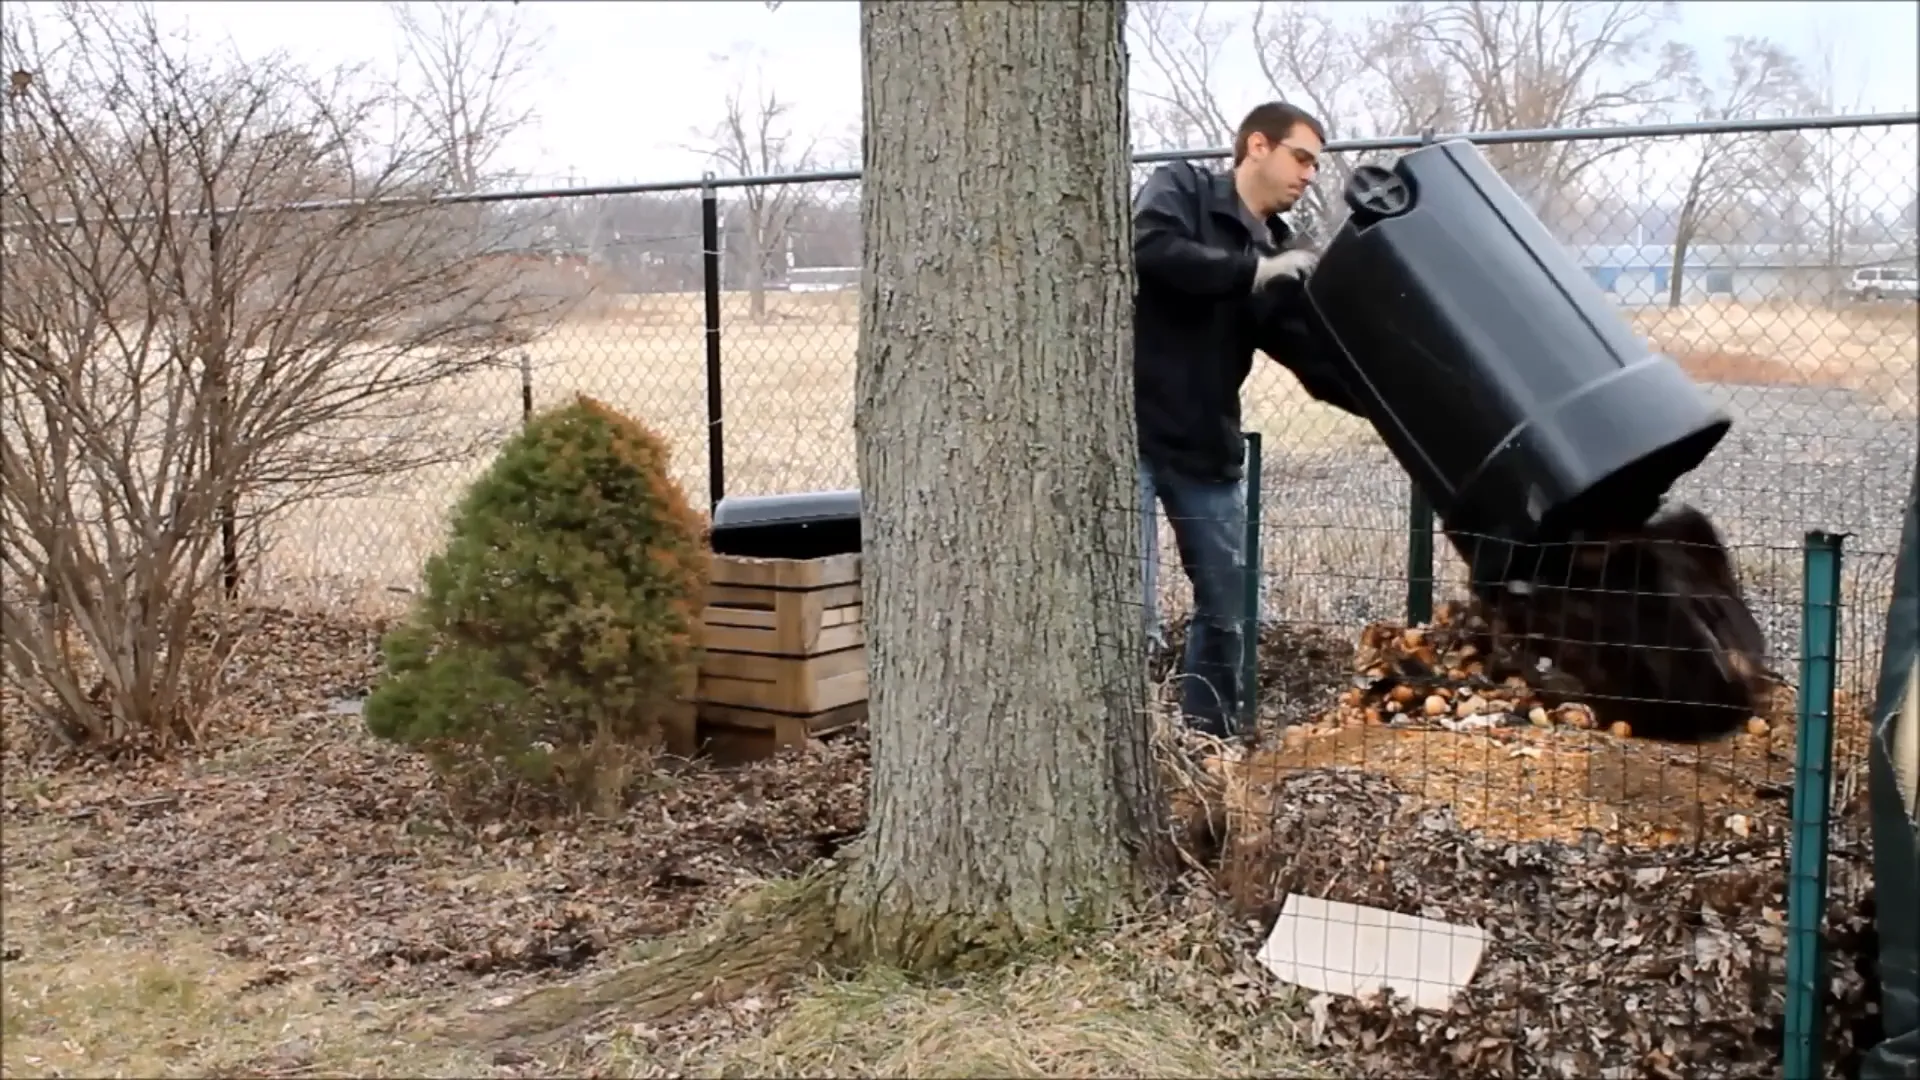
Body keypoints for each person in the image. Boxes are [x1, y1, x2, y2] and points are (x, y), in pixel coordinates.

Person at [1133, 100, 1362, 740]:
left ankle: (1211, 744)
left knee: (1228, 611)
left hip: (1205, 444)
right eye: (1302, 157)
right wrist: (1250, 271)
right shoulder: (1180, 188)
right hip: (1127, 438)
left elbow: (1312, 361)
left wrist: (1388, 400)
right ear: (1257, 146)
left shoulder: (1281, 251)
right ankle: (1128, 745)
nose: (1310, 175)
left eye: (1316, 164)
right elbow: (1152, 252)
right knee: (1130, 612)